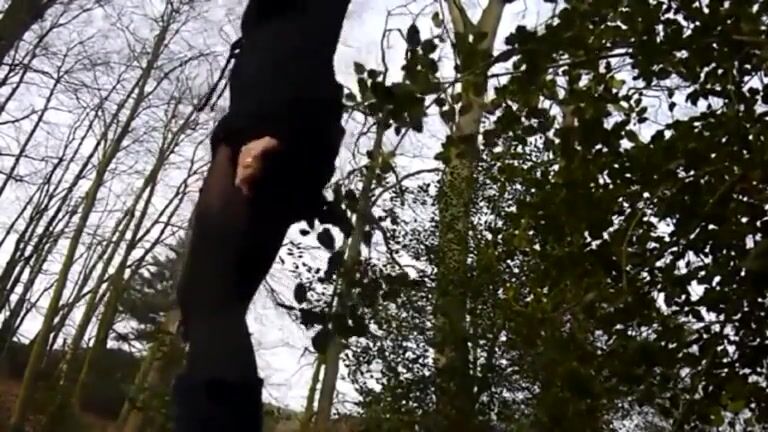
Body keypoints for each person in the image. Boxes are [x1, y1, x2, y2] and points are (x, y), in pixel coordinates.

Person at [171, 1, 352, 430]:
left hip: (278, 124)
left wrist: (279, 131)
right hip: (258, 124)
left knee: (211, 298)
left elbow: (311, 37)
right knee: (207, 302)